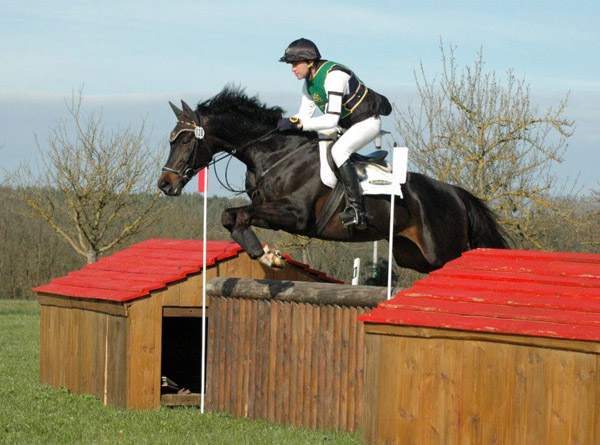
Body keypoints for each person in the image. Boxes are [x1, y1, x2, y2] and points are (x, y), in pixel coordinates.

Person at [277, 38, 391, 230]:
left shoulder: (334, 77)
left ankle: (357, 211)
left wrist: (298, 124)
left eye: (295, 63)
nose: (292, 69)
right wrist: (284, 124)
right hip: (347, 125)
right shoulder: (308, 85)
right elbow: (304, 116)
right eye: (291, 64)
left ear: (310, 62)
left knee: (339, 151)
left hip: (367, 122)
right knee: (317, 141)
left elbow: (330, 120)